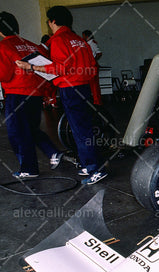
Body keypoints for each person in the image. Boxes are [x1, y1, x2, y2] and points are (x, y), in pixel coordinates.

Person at [16, 6, 105, 185]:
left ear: (53, 21)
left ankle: (95, 169)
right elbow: (92, 67)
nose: (49, 24)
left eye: (48, 21)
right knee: (85, 127)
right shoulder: (79, 40)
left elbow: (60, 68)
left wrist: (31, 67)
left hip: (70, 88)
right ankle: (91, 164)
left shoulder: (59, 40)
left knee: (80, 130)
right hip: (84, 87)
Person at [0, 11, 63, 178]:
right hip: (36, 93)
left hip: (17, 93)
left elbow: (4, 75)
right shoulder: (31, 45)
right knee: (31, 128)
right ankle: (52, 152)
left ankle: (29, 169)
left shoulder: (4, 46)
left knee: (17, 132)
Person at [82, 30, 103, 106]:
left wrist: (93, 60)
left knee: (94, 84)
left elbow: (99, 53)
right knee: (91, 84)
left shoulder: (92, 43)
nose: (83, 37)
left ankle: (97, 101)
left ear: (87, 36)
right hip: (90, 66)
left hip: (93, 66)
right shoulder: (87, 44)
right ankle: (95, 100)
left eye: (83, 36)